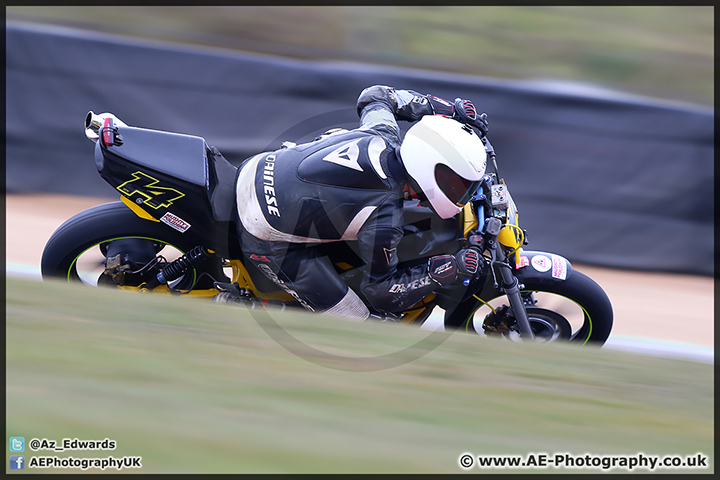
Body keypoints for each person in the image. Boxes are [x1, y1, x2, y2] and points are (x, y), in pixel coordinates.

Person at [220, 85, 489, 320]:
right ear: (429, 169)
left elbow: (376, 96)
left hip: (256, 168)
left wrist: (444, 108)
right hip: (263, 232)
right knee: (358, 321)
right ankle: (263, 313)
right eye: (457, 184)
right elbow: (381, 291)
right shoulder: (384, 217)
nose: (460, 192)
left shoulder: (382, 133)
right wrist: (447, 269)